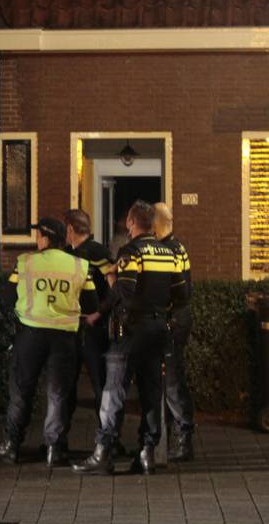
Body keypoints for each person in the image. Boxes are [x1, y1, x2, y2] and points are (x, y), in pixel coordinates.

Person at [74, 201, 186, 476]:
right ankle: (147, 453)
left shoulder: (131, 252)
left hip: (132, 331)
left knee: (113, 391)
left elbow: (124, 292)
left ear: (131, 223)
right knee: (151, 392)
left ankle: (103, 452)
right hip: (159, 331)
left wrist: (110, 283)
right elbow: (182, 295)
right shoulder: (169, 253)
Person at [0, 217, 97, 467]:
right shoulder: (80, 266)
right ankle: (54, 450)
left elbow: (7, 295)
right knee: (58, 393)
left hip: (31, 334)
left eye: (38, 235)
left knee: (22, 390)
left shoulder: (25, 262)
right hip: (64, 337)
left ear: (45, 238)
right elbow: (91, 303)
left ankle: (12, 446)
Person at [59, 209, 116, 450]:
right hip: (74, 329)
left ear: (70, 229)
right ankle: (60, 442)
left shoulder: (97, 253)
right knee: (67, 386)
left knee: (98, 385)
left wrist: (99, 313)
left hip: (92, 330)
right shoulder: (67, 253)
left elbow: (114, 286)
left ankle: (107, 442)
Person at [154, 202, 195, 461]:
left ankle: (182, 438)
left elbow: (179, 291)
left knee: (171, 380)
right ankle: (172, 437)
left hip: (172, 319)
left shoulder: (167, 252)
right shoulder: (178, 247)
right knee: (173, 376)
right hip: (179, 318)